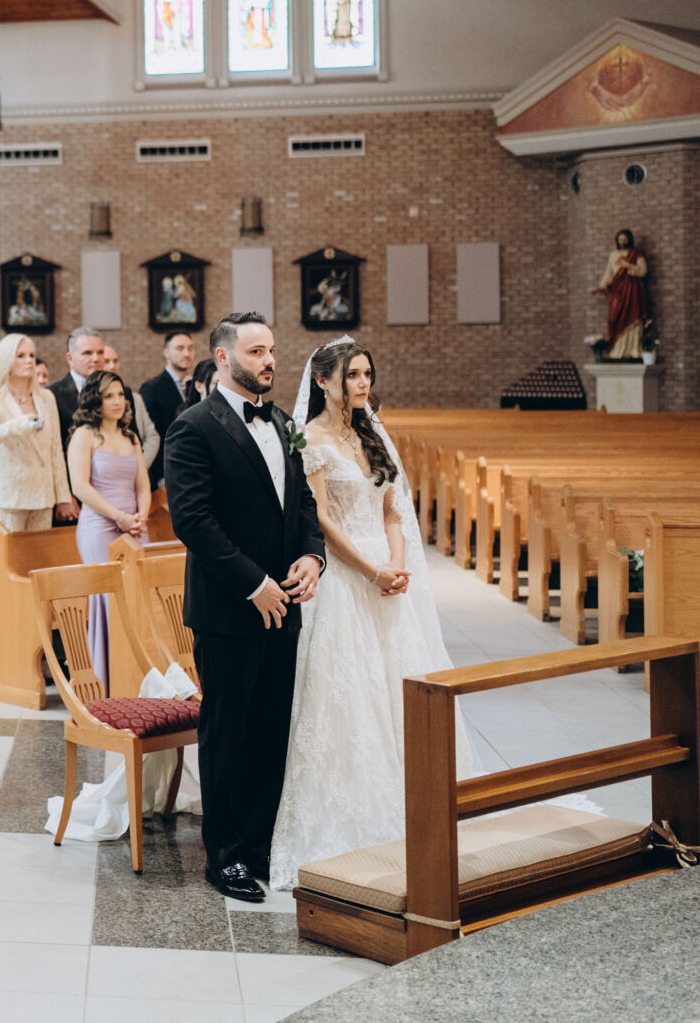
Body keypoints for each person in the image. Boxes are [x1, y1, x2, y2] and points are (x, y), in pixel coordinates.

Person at [269, 337, 474, 891]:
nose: (362, 384)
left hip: (387, 574)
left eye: (367, 374)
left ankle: (419, 806)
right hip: (344, 579)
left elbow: (392, 510)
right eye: (353, 375)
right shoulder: (308, 439)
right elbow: (321, 520)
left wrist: (397, 562)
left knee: (397, 688)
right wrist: (369, 571)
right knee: (348, 698)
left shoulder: (372, 434)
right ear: (323, 381)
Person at [162, 311, 325, 903]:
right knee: (228, 732)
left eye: (272, 349)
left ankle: (258, 843)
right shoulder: (192, 427)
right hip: (231, 609)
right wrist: (253, 584)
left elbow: (303, 504)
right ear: (224, 358)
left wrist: (312, 557)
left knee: (270, 729)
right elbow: (193, 521)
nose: (270, 360)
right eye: (256, 351)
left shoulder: (283, 423)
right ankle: (224, 855)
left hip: (286, 603)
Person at [67, 371, 152, 676]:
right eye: (108, 396)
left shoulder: (131, 437)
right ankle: (108, 675)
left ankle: (136, 673)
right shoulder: (84, 435)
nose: (118, 402)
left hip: (135, 527)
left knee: (139, 596)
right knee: (108, 599)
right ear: (95, 400)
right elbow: (80, 487)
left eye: (121, 395)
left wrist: (141, 516)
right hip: (99, 527)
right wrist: (119, 517)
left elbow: (142, 485)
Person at [0, 334, 77, 532]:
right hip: (9, 498)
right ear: (6, 360)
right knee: (8, 551)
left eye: (32, 355)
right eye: (21, 356)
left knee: (39, 552)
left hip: (43, 496)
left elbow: (55, 450)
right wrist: (22, 424)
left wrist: (63, 497)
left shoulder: (46, 397)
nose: (29, 361)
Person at [49, 329, 160, 468]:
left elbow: (131, 438)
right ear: (70, 358)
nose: (96, 358)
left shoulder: (123, 392)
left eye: (100, 352)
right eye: (87, 353)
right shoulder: (53, 394)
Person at [138, 331, 199, 482]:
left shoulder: (199, 385)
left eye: (190, 348)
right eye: (179, 348)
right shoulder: (152, 388)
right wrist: (160, 476)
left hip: (197, 468)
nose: (186, 353)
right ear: (166, 352)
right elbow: (152, 436)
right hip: (166, 473)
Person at [592, 228, 650, 360]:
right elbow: (608, 272)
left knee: (633, 315)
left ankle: (633, 349)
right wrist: (602, 286)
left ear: (629, 240)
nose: (622, 241)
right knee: (614, 318)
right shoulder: (613, 255)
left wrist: (628, 266)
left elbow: (644, 271)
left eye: (625, 239)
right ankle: (617, 349)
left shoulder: (636, 254)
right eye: (620, 239)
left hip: (632, 290)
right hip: (617, 292)